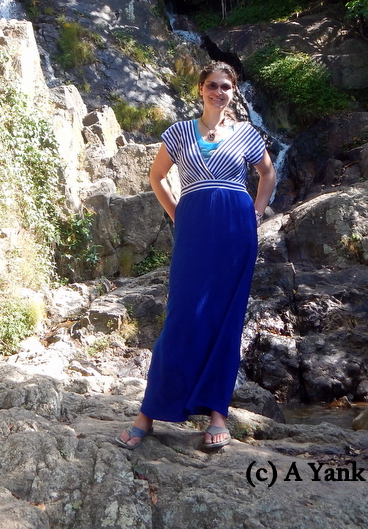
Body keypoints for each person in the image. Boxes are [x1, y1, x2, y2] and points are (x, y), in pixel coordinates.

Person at [115, 61, 276, 451]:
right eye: (212, 85)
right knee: (182, 315)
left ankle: (218, 415)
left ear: (233, 92)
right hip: (194, 227)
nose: (219, 92)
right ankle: (149, 412)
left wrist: (254, 214)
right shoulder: (179, 132)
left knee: (226, 320)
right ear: (201, 89)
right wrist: (177, 214)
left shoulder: (246, 133)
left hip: (236, 231)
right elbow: (157, 177)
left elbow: (268, 174)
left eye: (226, 86)